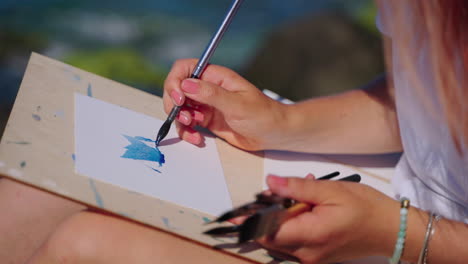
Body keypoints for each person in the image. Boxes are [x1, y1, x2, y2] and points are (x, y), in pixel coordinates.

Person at [1, 1, 467, 263]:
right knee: (22, 197)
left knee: (85, 248)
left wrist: (394, 232)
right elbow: (421, 93)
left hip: (429, 238)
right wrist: (281, 123)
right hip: (402, 191)